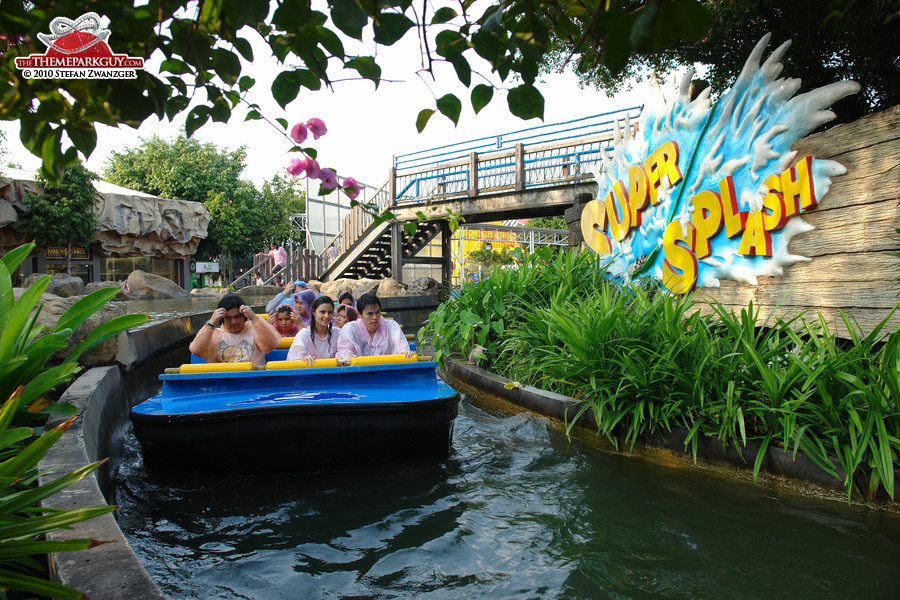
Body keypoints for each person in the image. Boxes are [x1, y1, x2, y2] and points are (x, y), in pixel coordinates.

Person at [189, 295, 280, 366]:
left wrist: (254, 318)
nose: (233, 322)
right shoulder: (215, 335)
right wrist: (211, 323)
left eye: (237, 317)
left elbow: (272, 343)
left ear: (244, 316)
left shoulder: (254, 330)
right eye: (228, 318)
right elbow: (196, 350)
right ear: (222, 319)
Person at [335, 293, 413, 364]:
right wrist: (348, 358)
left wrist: (406, 353)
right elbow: (345, 353)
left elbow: (402, 349)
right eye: (370, 314)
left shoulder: (392, 326)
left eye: (377, 312)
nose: (375, 317)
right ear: (360, 314)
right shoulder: (350, 329)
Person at [287, 295, 340, 364]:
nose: (326, 316)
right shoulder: (303, 335)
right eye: (322, 312)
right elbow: (294, 362)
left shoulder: (338, 333)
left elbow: (344, 353)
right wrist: (303, 360)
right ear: (313, 312)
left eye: (330, 312)